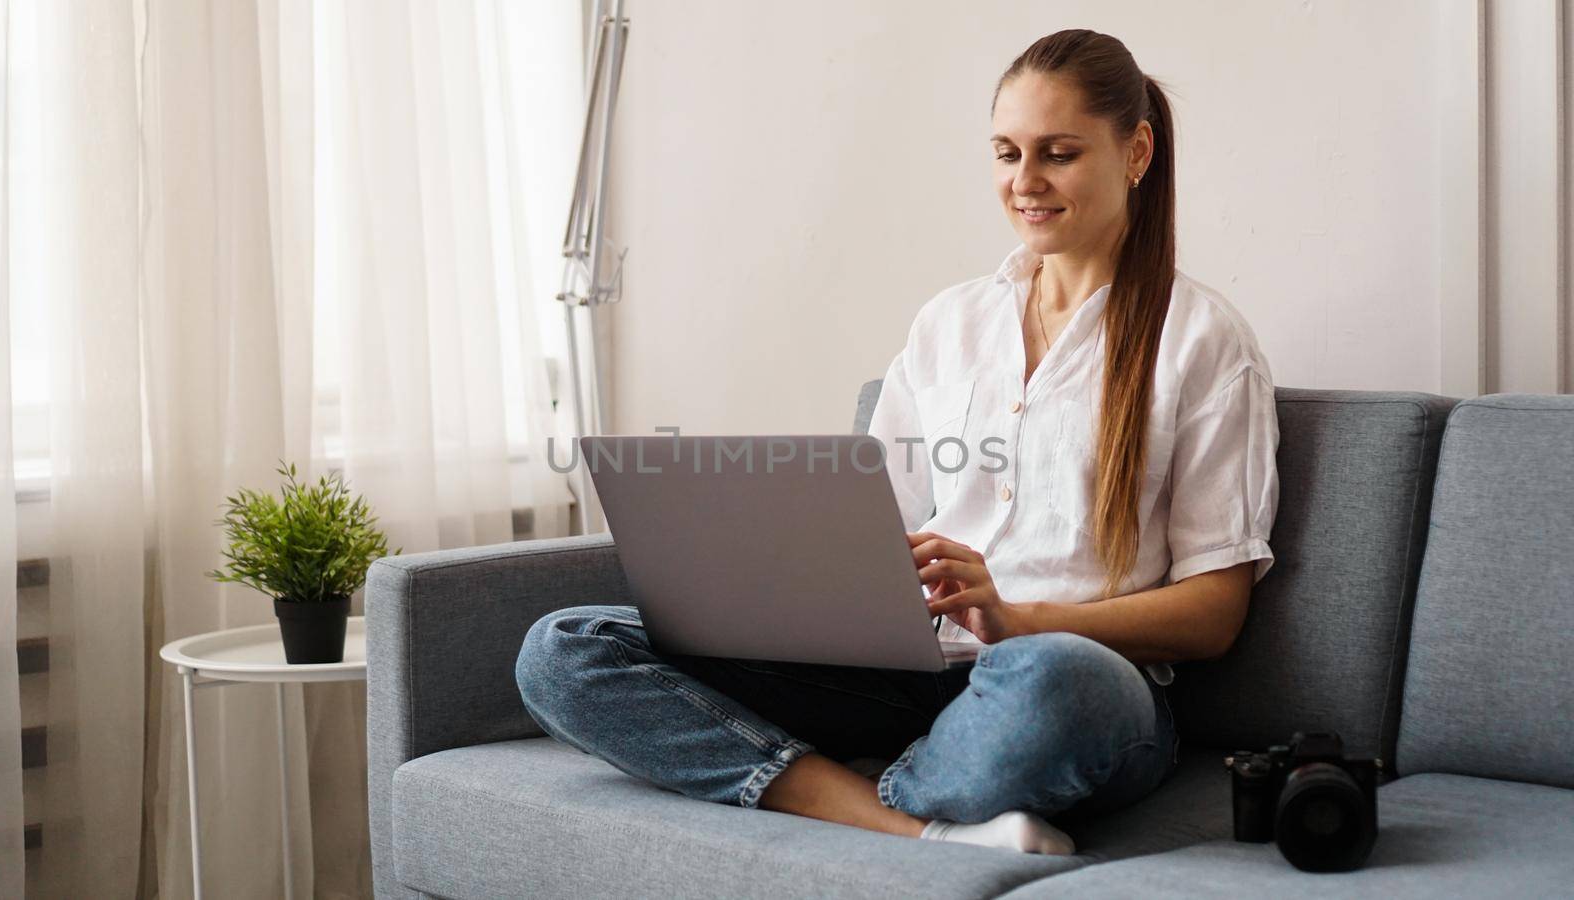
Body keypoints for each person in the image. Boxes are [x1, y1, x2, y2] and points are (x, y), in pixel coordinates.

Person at [515, 28, 1279, 857]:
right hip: (908, 678)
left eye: (1058, 154)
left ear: (1135, 152)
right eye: (1006, 153)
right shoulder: (949, 325)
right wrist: (779, 587)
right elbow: (876, 529)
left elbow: (1215, 614)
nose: (1025, 183)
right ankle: (913, 823)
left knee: (1059, 679)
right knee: (563, 650)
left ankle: (849, 791)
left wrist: (1016, 619)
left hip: (1066, 686)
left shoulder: (1202, 341)